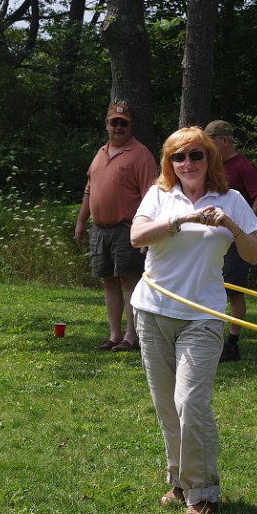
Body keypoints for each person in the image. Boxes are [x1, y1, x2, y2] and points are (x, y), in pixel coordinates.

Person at [129, 126, 257, 514]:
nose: (187, 163)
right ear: (169, 162)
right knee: (167, 405)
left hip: (202, 315)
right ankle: (179, 480)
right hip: (153, 311)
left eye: (196, 155)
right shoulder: (159, 195)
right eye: (178, 157)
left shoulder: (231, 199)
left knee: (190, 402)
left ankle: (202, 494)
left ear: (209, 159)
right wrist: (182, 219)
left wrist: (231, 226)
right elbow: (137, 236)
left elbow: (253, 255)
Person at [75, 103, 157, 352]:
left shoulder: (141, 154)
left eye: (123, 123)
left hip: (127, 228)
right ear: (107, 125)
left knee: (130, 281)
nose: (118, 127)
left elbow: (150, 195)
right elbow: (89, 190)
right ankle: (114, 335)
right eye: (114, 122)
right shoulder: (100, 153)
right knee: (109, 282)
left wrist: (146, 231)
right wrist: (81, 220)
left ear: (130, 126)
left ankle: (131, 337)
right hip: (100, 229)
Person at [204, 120, 257, 362]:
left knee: (233, 290)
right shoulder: (210, 166)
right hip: (213, 241)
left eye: (210, 140)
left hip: (236, 240)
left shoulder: (242, 165)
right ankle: (207, 338)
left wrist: (244, 225)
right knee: (209, 287)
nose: (206, 146)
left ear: (223, 141)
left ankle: (232, 345)